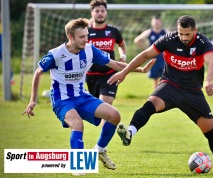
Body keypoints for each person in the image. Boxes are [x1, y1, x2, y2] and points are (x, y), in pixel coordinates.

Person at [22, 18, 155, 173]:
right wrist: (32, 100)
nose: (86, 39)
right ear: (70, 37)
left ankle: (99, 149)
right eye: (82, 37)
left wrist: (142, 70)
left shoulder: (90, 50)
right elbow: (38, 73)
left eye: (87, 35)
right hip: (62, 100)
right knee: (77, 124)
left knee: (114, 115)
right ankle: (77, 167)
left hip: (82, 96)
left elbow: (116, 65)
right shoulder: (56, 54)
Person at [108, 15, 213, 173]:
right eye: (181, 33)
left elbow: (212, 61)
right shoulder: (169, 39)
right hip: (169, 86)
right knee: (149, 106)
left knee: (212, 133)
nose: (183, 37)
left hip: (192, 93)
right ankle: (130, 133)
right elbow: (146, 55)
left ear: (195, 31)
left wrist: (209, 80)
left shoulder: (203, 42)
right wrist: (124, 72)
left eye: (187, 34)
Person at [86, 0, 127, 107]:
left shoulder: (113, 31)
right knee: (97, 111)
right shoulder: (86, 32)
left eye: (102, 11)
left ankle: (110, 121)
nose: (100, 14)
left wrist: (123, 55)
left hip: (109, 74)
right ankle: (109, 122)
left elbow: (121, 44)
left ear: (106, 12)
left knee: (104, 105)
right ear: (92, 13)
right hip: (91, 75)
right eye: (97, 11)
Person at [134, 15, 167, 89]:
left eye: (158, 22)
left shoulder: (165, 32)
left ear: (161, 23)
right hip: (154, 57)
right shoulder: (149, 32)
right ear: (152, 23)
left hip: (164, 58)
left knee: (165, 77)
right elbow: (137, 40)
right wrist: (147, 50)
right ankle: (156, 93)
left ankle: (164, 93)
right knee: (155, 78)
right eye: (155, 22)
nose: (156, 24)